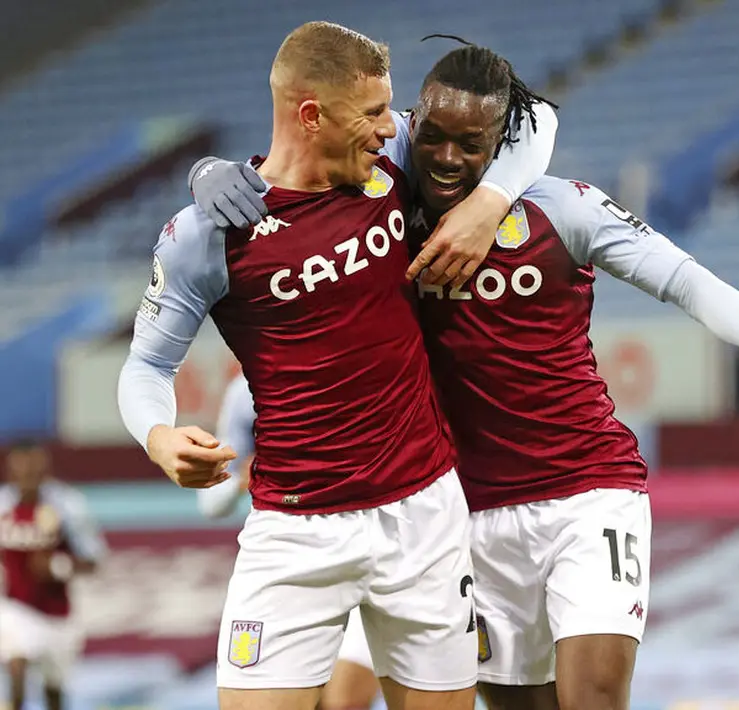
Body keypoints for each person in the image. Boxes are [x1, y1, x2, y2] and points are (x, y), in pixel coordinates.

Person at [193, 40, 739, 710]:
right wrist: (212, 172)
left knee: (591, 697)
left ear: (502, 141)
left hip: (587, 492)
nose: (446, 157)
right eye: (432, 138)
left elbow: (683, 280)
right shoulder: (384, 212)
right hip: (463, 516)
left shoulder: (566, 208)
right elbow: (298, 168)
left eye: (471, 144)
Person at [116, 22, 555, 710]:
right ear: (311, 115)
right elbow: (145, 367)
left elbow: (537, 120)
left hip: (425, 515)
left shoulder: (395, 165)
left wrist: (488, 205)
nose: (394, 128)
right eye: (374, 113)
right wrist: (159, 436)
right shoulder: (207, 235)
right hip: (295, 532)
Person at [200, 375, 379, 710]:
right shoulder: (245, 391)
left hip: (370, 546)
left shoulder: (375, 364)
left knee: (344, 701)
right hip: (287, 560)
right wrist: (243, 478)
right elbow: (211, 502)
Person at [0, 440, 107, 710]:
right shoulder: (2, 506)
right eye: (20, 472)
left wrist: (59, 565)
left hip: (58, 615)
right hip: (16, 606)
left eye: (33, 472)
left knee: (54, 691)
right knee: (17, 663)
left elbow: (94, 559)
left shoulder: (67, 506)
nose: (27, 479)